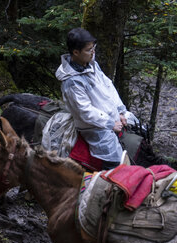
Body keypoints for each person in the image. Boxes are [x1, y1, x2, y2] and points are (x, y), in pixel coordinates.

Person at [55, 28, 128, 170]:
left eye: (93, 48)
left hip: (113, 116)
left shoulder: (91, 63)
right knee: (115, 162)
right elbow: (85, 111)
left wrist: (120, 111)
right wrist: (109, 123)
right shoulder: (71, 81)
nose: (93, 52)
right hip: (94, 126)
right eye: (89, 50)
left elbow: (108, 85)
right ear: (76, 52)